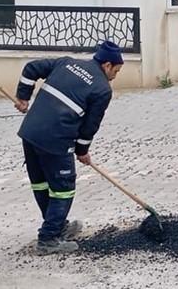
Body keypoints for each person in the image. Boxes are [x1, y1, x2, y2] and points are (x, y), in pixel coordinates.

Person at [13, 40, 123, 255]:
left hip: (30, 133)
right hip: (55, 140)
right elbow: (90, 125)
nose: (114, 77)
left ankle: (57, 226)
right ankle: (48, 239)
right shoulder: (102, 89)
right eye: (116, 71)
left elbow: (31, 68)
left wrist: (23, 96)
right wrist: (82, 151)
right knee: (64, 189)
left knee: (42, 184)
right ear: (107, 65)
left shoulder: (66, 63)